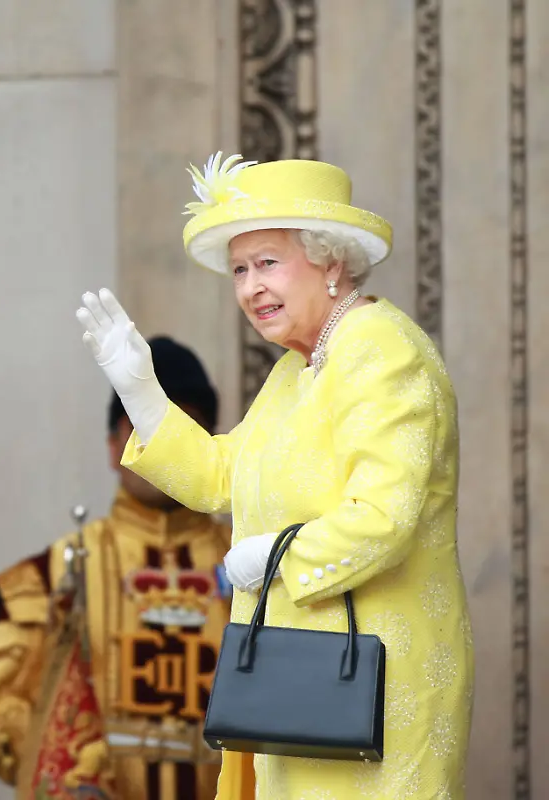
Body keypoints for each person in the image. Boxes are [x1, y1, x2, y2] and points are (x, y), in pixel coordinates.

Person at [75, 153, 473, 799]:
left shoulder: (380, 348)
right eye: (240, 269)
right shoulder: (296, 368)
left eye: (268, 263)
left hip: (374, 693)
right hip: (297, 693)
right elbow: (220, 477)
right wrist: (142, 394)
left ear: (330, 262)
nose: (251, 287)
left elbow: (384, 516)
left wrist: (276, 557)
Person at [0, 336, 239, 799]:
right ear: (113, 446)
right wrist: (70, 765)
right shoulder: (51, 574)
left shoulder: (257, 564)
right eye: (141, 428)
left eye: (180, 428)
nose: (160, 448)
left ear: (209, 445)